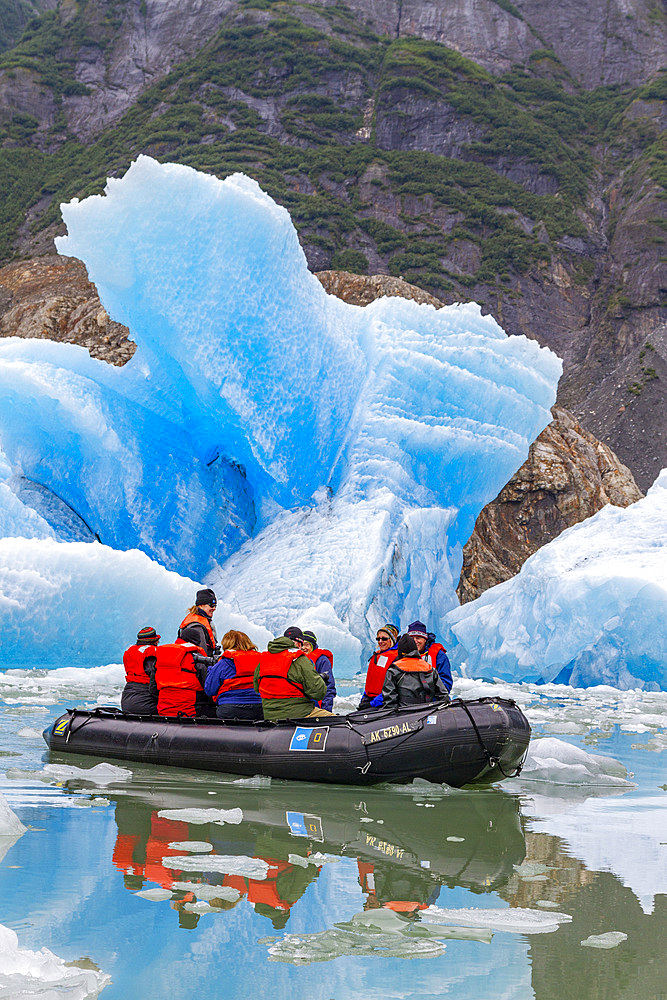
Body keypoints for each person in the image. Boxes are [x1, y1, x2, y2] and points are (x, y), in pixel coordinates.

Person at [254, 630, 334, 721]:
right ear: (299, 644)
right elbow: (318, 692)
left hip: (269, 714)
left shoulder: (263, 660)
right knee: (335, 720)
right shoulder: (299, 660)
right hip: (299, 713)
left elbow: (256, 688)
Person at [204, 630, 263, 721]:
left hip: (230, 708)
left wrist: (211, 670)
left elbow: (210, 690)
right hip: (259, 707)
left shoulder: (224, 663)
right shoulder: (262, 661)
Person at [380, 634, 449, 711]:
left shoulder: (394, 670)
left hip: (404, 713)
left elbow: (389, 700)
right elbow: (443, 695)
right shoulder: (430, 669)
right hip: (427, 711)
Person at [152, 638, 216, 717]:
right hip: (190, 711)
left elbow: (153, 688)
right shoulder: (197, 659)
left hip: (163, 710)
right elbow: (209, 688)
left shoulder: (161, 658)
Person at [121, 626, 160, 715]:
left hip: (127, 699)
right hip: (146, 701)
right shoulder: (151, 654)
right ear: (155, 641)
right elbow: (155, 678)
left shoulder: (131, 651)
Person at [358, 624, 399, 709]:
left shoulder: (396, 658)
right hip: (370, 699)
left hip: (383, 702)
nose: (380, 641)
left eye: (384, 639)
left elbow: (394, 687)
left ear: (391, 640)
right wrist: (364, 698)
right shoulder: (378, 654)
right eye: (378, 639)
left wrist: (373, 703)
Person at [406, 620, 453, 694]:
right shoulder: (402, 655)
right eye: (412, 638)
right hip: (409, 700)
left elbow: (446, 683)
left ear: (425, 639)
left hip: (432, 700)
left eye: (418, 638)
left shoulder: (438, 655)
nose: (415, 641)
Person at [300, 629, 337, 712]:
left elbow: (329, 687)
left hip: (317, 706)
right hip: (301, 707)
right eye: (301, 645)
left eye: (307, 645)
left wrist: (326, 709)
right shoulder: (298, 660)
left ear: (312, 645)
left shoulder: (322, 661)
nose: (303, 648)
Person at [178, 588, 219, 659]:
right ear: (201, 605)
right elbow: (200, 655)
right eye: (211, 605)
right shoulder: (196, 626)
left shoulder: (200, 620)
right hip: (199, 667)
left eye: (215, 605)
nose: (214, 608)